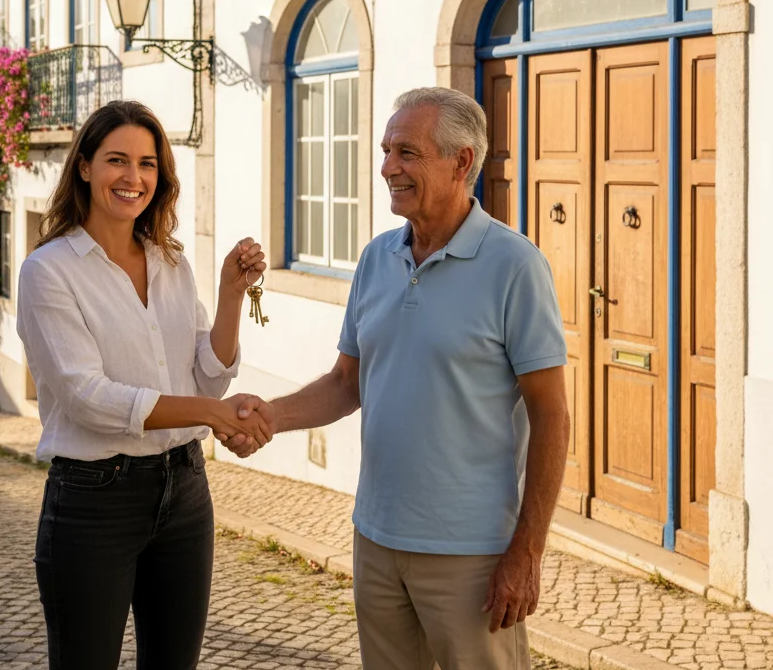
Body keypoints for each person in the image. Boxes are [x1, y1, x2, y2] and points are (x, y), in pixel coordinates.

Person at [220, 87, 570, 670]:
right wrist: (269, 418)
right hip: (376, 541)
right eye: (386, 151)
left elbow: (552, 415)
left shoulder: (515, 265)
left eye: (406, 152)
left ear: (462, 162)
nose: (388, 168)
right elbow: (344, 383)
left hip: (472, 555)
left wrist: (527, 551)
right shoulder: (377, 258)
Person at [17, 99, 271, 670]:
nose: (134, 178)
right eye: (117, 161)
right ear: (84, 166)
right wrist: (213, 412)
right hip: (92, 501)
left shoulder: (170, 262)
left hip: (183, 490)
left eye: (148, 164)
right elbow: (88, 397)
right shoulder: (49, 271)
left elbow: (208, 368)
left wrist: (231, 293)